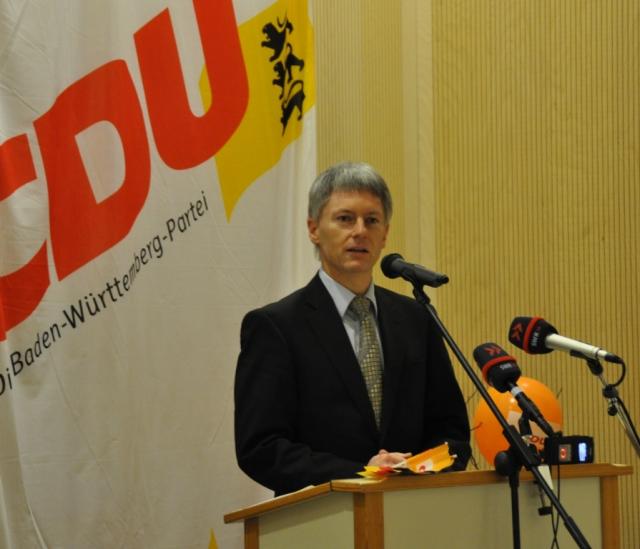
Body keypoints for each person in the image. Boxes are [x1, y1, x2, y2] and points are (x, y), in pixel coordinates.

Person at [234, 161, 470, 496]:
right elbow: (262, 448)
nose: (360, 231)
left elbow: (451, 431)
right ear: (314, 229)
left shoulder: (416, 318)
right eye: (345, 219)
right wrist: (362, 474)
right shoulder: (277, 327)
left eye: (371, 220)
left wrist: (417, 468)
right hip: (321, 517)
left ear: (385, 234)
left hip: (413, 509)